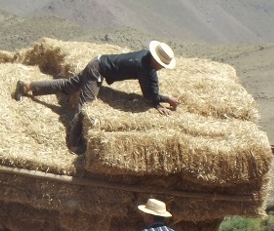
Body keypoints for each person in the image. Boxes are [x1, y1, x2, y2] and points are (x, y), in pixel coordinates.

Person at [13, 40, 182, 153]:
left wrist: (157, 102)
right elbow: (149, 92)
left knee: (68, 85)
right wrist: (164, 100)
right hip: (97, 71)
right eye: (162, 64)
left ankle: (27, 86)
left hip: (98, 61)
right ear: (156, 60)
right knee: (86, 105)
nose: (163, 68)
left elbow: (150, 89)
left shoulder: (145, 57)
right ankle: (74, 142)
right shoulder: (144, 66)